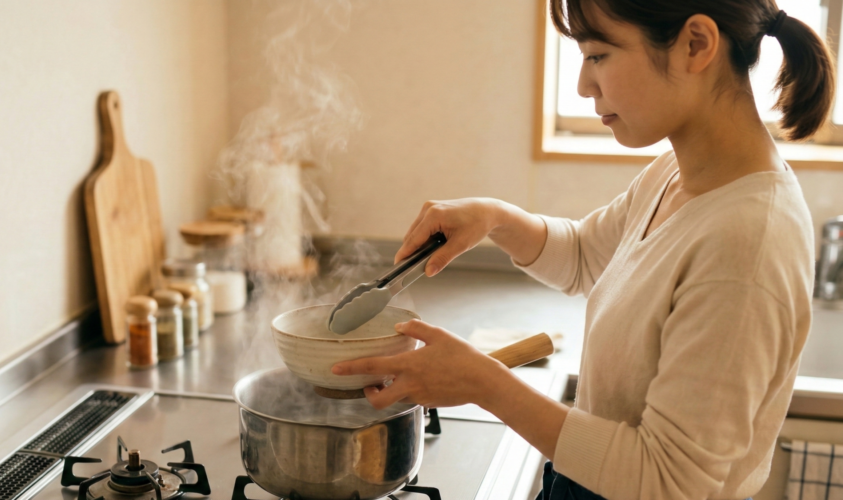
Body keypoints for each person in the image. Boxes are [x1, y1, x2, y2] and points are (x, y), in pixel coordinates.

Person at [332, 1, 831, 498]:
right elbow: (587, 256)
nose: (582, 86)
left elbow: (670, 482)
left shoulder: (745, 242)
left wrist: (484, 384)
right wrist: (493, 217)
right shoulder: (677, 173)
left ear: (695, 45)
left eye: (598, 56)